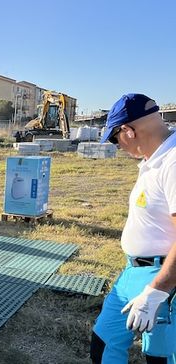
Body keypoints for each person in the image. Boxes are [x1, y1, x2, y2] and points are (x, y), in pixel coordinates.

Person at [91, 94, 176, 363]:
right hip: (133, 272)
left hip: (162, 277)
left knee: (160, 357)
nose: (118, 147)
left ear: (128, 131)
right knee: (103, 343)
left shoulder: (173, 163)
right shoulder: (153, 160)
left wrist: (155, 292)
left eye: (115, 140)